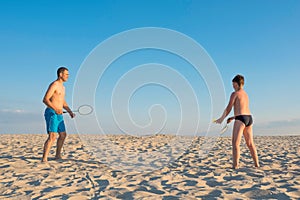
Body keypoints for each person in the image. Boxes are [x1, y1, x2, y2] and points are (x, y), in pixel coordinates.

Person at [215, 74, 259, 169]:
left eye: (233, 84)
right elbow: (242, 109)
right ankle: (257, 164)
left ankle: (235, 166)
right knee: (250, 144)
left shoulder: (234, 94)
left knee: (235, 143)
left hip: (241, 119)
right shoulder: (245, 94)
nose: (232, 86)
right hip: (249, 118)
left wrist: (221, 119)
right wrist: (233, 117)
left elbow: (229, 107)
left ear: (237, 84)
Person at [42, 67, 75, 162]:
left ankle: (57, 155)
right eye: (66, 74)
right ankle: (44, 159)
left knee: (63, 135)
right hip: (52, 112)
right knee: (52, 136)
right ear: (60, 74)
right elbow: (45, 99)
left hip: (59, 114)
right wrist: (55, 109)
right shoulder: (54, 85)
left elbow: (63, 102)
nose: (68, 76)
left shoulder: (63, 87)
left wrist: (69, 111)